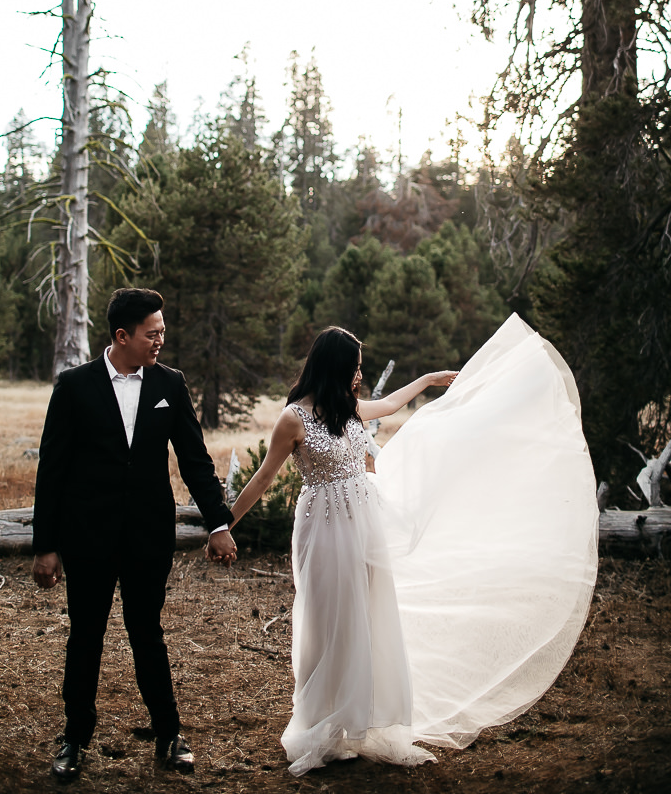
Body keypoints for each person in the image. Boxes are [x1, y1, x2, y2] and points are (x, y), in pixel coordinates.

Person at [228, 318, 599, 776]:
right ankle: (323, 723)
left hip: (365, 524)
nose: (359, 375)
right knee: (330, 621)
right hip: (322, 529)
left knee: (368, 618)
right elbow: (264, 477)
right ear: (333, 366)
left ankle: (360, 721)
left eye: (361, 367)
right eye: (354, 367)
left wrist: (428, 381)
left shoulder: (348, 407)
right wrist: (224, 527)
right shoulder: (293, 419)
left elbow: (389, 403)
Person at [32, 287, 237, 781]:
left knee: (148, 634)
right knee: (86, 637)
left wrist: (218, 522)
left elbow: (194, 459)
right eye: (153, 333)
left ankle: (169, 733)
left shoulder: (170, 384)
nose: (160, 340)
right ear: (122, 336)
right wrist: (46, 546)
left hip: (148, 536)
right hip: (87, 537)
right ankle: (75, 738)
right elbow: (52, 470)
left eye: (163, 331)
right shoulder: (74, 386)